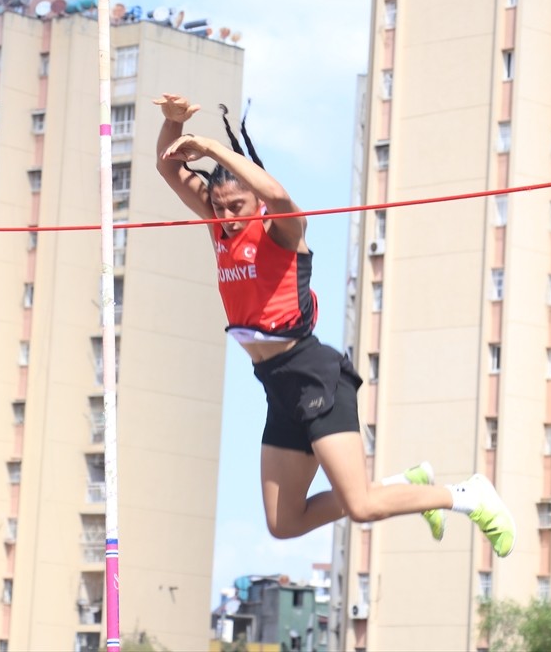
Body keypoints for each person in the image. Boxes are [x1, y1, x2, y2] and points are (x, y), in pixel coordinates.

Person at [152, 93, 515, 556]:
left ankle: (466, 496)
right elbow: (168, 169)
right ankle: (404, 484)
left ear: (256, 204)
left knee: (361, 506)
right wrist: (172, 124)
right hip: (276, 385)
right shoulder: (219, 227)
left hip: (313, 374)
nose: (225, 217)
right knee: (284, 523)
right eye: (218, 206)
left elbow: (278, 195)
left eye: (236, 206)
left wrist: (216, 149)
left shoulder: (280, 229)